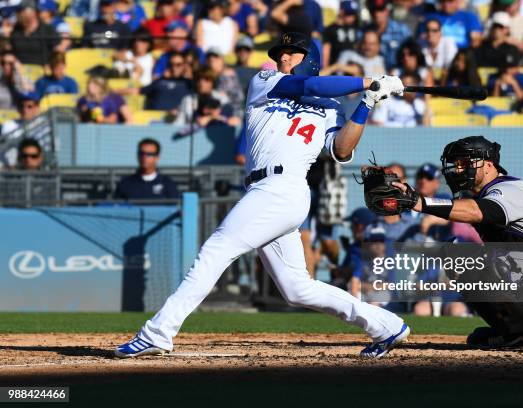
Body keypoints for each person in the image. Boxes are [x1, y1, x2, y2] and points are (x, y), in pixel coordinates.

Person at [115, 32, 410, 359]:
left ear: (309, 58)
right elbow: (308, 87)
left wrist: (367, 103)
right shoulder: (265, 80)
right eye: (281, 53)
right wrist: (367, 81)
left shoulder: (331, 108)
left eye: (292, 53)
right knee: (297, 289)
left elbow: (341, 148)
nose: (283, 58)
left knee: (217, 249)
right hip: (265, 190)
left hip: (285, 189)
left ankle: (158, 332)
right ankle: (386, 325)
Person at [388, 136, 523, 352]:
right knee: (457, 254)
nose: (459, 168)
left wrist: (420, 202)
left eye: (466, 162)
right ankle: (515, 332)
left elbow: (476, 210)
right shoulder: (488, 192)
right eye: (457, 163)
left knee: (493, 260)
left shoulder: (509, 189)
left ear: (489, 164)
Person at [114, 138, 179, 200]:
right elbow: (117, 208)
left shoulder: (168, 184)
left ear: (157, 157)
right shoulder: (125, 184)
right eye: (141, 153)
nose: (144, 157)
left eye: (149, 154)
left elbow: (176, 208)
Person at [10, 0, 59, 65]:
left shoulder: (48, 30)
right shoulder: (16, 30)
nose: (17, 14)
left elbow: (58, 52)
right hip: (19, 72)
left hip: (43, 72)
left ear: (33, 12)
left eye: (20, 11)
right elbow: (10, 50)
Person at [366, 0, 412, 71]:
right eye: (373, 10)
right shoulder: (364, 31)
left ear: (387, 11)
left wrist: (399, 71)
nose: (376, 14)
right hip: (371, 74)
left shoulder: (402, 30)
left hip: (397, 74)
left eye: (380, 10)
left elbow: (412, 55)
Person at [322, 0, 361, 67]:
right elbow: (326, 52)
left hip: (352, 69)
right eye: (349, 13)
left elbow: (356, 47)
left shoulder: (355, 28)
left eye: (354, 14)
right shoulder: (330, 29)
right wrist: (326, 70)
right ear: (341, 11)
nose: (352, 17)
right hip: (336, 69)